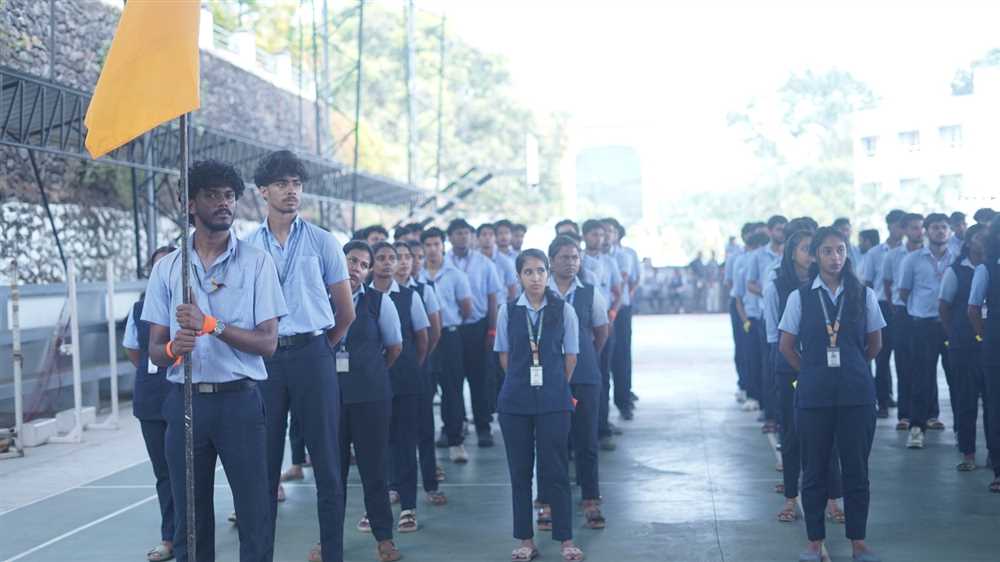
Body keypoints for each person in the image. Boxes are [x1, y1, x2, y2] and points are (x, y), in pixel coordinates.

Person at [143, 160, 287, 562]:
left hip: (240, 403)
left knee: (255, 513)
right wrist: (174, 349)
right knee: (191, 522)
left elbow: (268, 343)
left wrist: (211, 324)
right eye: (212, 195)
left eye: (229, 195)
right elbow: (154, 350)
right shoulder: (167, 268)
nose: (224, 203)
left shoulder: (257, 262)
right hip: (186, 403)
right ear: (190, 204)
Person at [242, 150, 356, 562]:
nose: (291, 191)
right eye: (281, 184)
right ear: (263, 191)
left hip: (313, 353)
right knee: (263, 465)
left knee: (327, 462)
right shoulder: (247, 247)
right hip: (267, 360)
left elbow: (345, 312)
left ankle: (333, 553)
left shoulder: (323, 241)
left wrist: (320, 348)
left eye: (296, 184)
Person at [778, 226, 886, 562]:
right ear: (815, 256)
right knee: (814, 470)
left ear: (847, 254)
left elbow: (875, 343)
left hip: (857, 396)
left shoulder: (863, 295)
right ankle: (814, 542)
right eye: (827, 251)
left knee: (856, 470)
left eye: (840, 250)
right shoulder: (800, 297)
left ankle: (858, 542)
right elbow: (786, 346)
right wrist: (812, 371)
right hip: (814, 398)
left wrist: (852, 367)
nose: (835, 257)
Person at [494, 249, 583, 562]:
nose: (535, 278)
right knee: (520, 472)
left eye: (540, 271)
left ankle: (566, 540)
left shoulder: (563, 310)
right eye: (528, 272)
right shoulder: (507, 311)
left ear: (548, 273)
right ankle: (526, 540)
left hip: (554, 401)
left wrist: (554, 386)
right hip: (515, 401)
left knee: (556, 470)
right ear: (519, 276)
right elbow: (504, 355)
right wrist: (522, 382)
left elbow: (571, 356)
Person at [763, 231, 846, 526]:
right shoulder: (778, 287)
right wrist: (798, 369)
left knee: (829, 434)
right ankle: (790, 497)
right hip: (790, 367)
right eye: (807, 249)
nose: (812, 254)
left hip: (825, 369)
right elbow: (774, 336)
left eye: (816, 249)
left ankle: (833, 498)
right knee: (793, 433)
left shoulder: (827, 285)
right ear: (792, 253)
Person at [338, 241, 404, 562]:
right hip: (330, 399)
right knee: (331, 474)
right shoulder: (320, 298)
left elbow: (394, 347)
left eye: (364, 265)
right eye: (352, 261)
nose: (356, 268)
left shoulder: (379, 302)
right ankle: (328, 540)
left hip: (371, 398)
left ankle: (384, 539)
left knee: (374, 470)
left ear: (368, 271)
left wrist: (370, 373)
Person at [541, 235, 610, 531]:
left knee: (586, 439)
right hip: (547, 375)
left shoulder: (590, 293)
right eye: (564, 257)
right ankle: (546, 501)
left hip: (584, 375)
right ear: (551, 261)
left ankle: (591, 499)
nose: (571, 263)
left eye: (575, 257)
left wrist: (585, 357)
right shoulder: (539, 292)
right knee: (549, 441)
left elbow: (601, 331)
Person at [369, 242, 431, 532]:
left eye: (391, 258)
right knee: (376, 445)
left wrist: (408, 367)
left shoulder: (409, 296)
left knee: (405, 443)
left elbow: (423, 339)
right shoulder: (361, 297)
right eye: (380, 258)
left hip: (404, 380)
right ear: (371, 264)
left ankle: (408, 507)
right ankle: (377, 505)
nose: (386, 263)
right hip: (370, 383)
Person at [123, 245, 178, 562]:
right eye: (158, 267)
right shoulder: (138, 310)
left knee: (190, 470)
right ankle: (170, 536)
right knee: (164, 472)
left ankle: (194, 531)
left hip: (186, 397)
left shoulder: (191, 307)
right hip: (152, 400)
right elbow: (134, 351)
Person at [396, 240, 448, 503]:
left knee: (424, 427)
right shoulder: (377, 291)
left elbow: (433, 332)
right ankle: (394, 485)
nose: (405, 262)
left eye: (410, 257)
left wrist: (418, 360)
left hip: (418, 367)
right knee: (392, 431)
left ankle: (430, 483)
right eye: (399, 256)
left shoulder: (424, 290)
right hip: (388, 371)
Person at [447, 218, 503, 448]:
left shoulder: (484, 263)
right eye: (458, 233)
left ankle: (483, 427)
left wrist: (492, 330)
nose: (463, 237)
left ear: (472, 237)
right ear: (450, 237)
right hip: (450, 329)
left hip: (478, 327)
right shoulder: (443, 263)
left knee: (480, 379)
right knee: (452, 381)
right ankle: (454, 426)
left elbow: (493, 298)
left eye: (466, 233)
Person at [899, 213, 954, 448]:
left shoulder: (957, 258)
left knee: (957, 379)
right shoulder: (912, 260)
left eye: (943, 227)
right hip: (923, 326)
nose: (939, 231)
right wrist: (921, 309)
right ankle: (916, 429)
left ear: (949, 231)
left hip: (951, 327)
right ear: (926, 231)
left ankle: (962, 433)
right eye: (935, 227)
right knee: (921, 379)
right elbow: (904, 292)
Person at [420, 227, 474, 462]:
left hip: (450, 336)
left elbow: (466, 309)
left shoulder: (456, 275)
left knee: (452, 390)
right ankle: (424, 447)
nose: (432, 249)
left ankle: (456, 442)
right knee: (424, 391)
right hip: (423, 337)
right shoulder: (417, 275)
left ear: (443, 246)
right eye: (428, 245)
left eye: (436, 244)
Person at [940, 223, 989, 471]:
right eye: (980, 237)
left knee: (993, 402)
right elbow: (944, 307)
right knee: (966, 399)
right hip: (964, 344)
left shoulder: (993, 267)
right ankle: (967, 453)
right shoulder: (956, 271)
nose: (985, 241)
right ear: (969, 243)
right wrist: (955, 335)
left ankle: (994, 454)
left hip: (990, 344)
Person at [881, 212, 925, 430]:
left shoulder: (930, 255)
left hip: (926, 314)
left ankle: (930, 414)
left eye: (921, 227)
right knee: (903, 363)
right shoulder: (892, 256)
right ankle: (905, 415)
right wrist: (895, 307)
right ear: (905, 230)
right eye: (914, 227)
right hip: (901, 312)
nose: (919, 231)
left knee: (925, 364)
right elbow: (888, 284)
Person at [581, 220, 623, 447]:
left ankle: (602, 427)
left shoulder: (610, 262)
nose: (599, 238)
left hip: (604, 323)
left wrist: (612, 314)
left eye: (601, 235)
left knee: (603, 376)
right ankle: (581, 431)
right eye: (594, 234)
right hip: (583, 326)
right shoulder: (578, 261)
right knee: (581, 379)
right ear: (585, 236)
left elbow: (617, 292)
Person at [747, 215, 787, 433]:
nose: (782, 233)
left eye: (784, 229)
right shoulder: (759, 257)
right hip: (767, 315)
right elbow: (750, 284)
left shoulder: (793, 255)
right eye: (778, 229)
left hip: (788, 316)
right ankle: (770, 411)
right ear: (770, 231)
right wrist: (768, 293)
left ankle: (785, 411)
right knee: (769, 364)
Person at [864, 209, 905, 418]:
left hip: (904, 307)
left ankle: (906, 406)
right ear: (889, 226)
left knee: (906, 358)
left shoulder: (912, 252)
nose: (901, 230)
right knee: (881, 356)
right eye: (898, 225)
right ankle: (882, 401)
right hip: (881, 306)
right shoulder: (875, 253)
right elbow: (868, 282)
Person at [969, 216, 1000, 493]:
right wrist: (984, 337)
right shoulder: (986, 269)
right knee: (996, 405)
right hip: (995, 345)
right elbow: (973, 308)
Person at [733, 227, 769, 413]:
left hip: (766, 317)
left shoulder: (773, 262)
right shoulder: (743, 263)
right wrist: (745, 321)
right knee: (752, 358)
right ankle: (753, 396)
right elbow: (738, 296)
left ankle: (766, 400)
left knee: (766, 361)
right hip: (751, 318)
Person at [605, 218, 641, 407]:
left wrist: (619, 303)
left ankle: (623, 399)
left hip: (620, 310)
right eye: (602, 232)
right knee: (604, 357)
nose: (606, 236)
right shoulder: (590, 258)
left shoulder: (624, 255)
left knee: (622, 355)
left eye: (610, 231)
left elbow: (628, 281)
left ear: (617, 234)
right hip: (600, 312)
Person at [478, 222, 518, 300]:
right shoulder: (473, 259)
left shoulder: (505, 261)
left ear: (495, 237)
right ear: (478, 238)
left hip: (500, 303)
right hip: (479, 304)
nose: (487, 237)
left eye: (491, 235)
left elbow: (512, 287)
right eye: (484, 234)